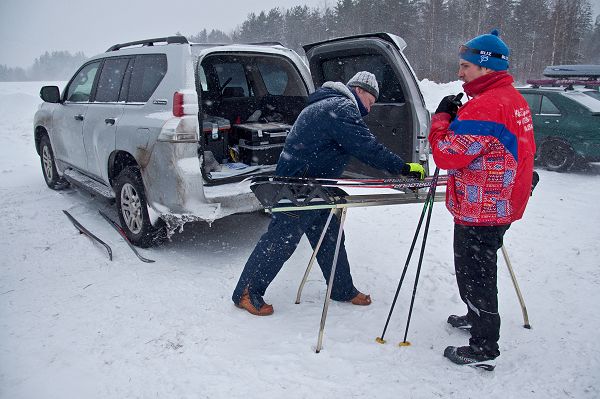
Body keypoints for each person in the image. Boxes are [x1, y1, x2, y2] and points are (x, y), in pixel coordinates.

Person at [232, 71, 426, 316]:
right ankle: (246, 292)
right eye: (371, 101)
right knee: (282, 239)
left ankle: (341, 289)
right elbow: (366, 147)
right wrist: (403, 167)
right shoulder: (341, 107)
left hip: (314, 187)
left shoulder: (328, 104)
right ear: (361, 90)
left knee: (329, 236)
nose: (369, 108)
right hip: (298, 188)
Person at [428, 30, 536, 366]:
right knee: (477, 272)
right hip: (501, 201)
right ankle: (476, 317)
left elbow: (446, 155)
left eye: (465, 66)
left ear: (486, 68)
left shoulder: (487, 106)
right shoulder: (512, 99)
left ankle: (484, 345)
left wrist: (443, 118)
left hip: (482, 208)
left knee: (476, 275)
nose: (460, 73)